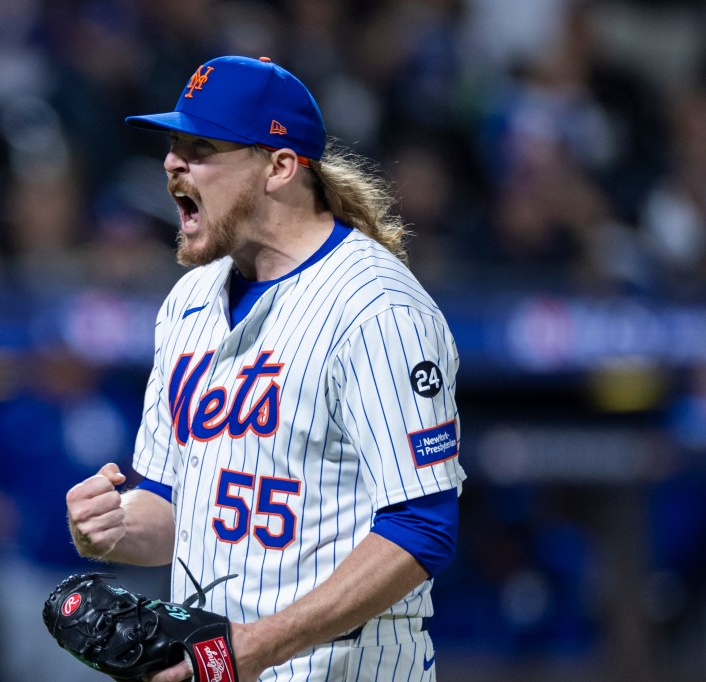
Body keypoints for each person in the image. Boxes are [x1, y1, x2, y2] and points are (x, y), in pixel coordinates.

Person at [66, 55, 466, 682]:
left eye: (200, 146)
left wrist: (257, 646)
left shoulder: (378, 307)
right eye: (173, 144)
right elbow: (176, 506)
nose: (172, 162)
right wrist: (113, 527)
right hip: (220, 663)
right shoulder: (189, 302)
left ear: (279, 166)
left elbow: (422, 529)